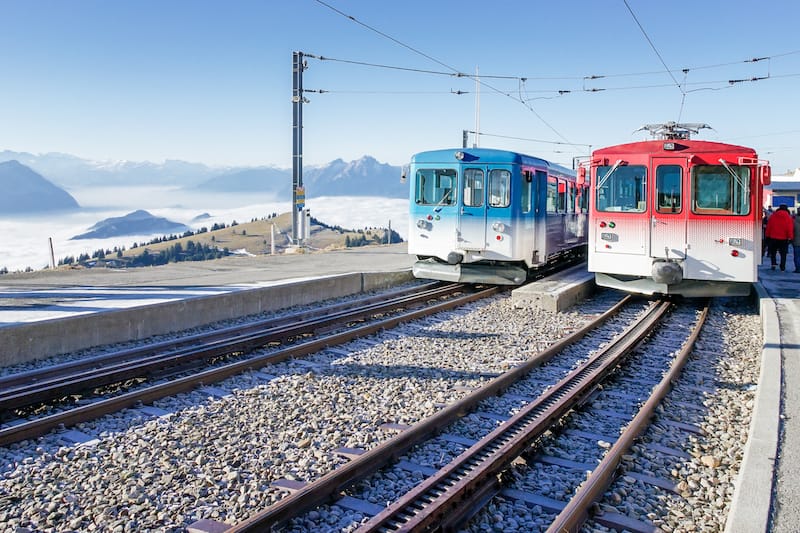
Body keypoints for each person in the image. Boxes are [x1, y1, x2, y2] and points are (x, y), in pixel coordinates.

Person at [765, 204, 794, 271]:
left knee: (773, 252)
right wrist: (790, 237)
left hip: (773, 237)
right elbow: (789, 228)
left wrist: (767, 235)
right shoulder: (788, 217)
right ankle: (782, 266)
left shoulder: (773, 216)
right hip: (784, 238)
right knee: (783, 253)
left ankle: (773, 264)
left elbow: (769, 227)